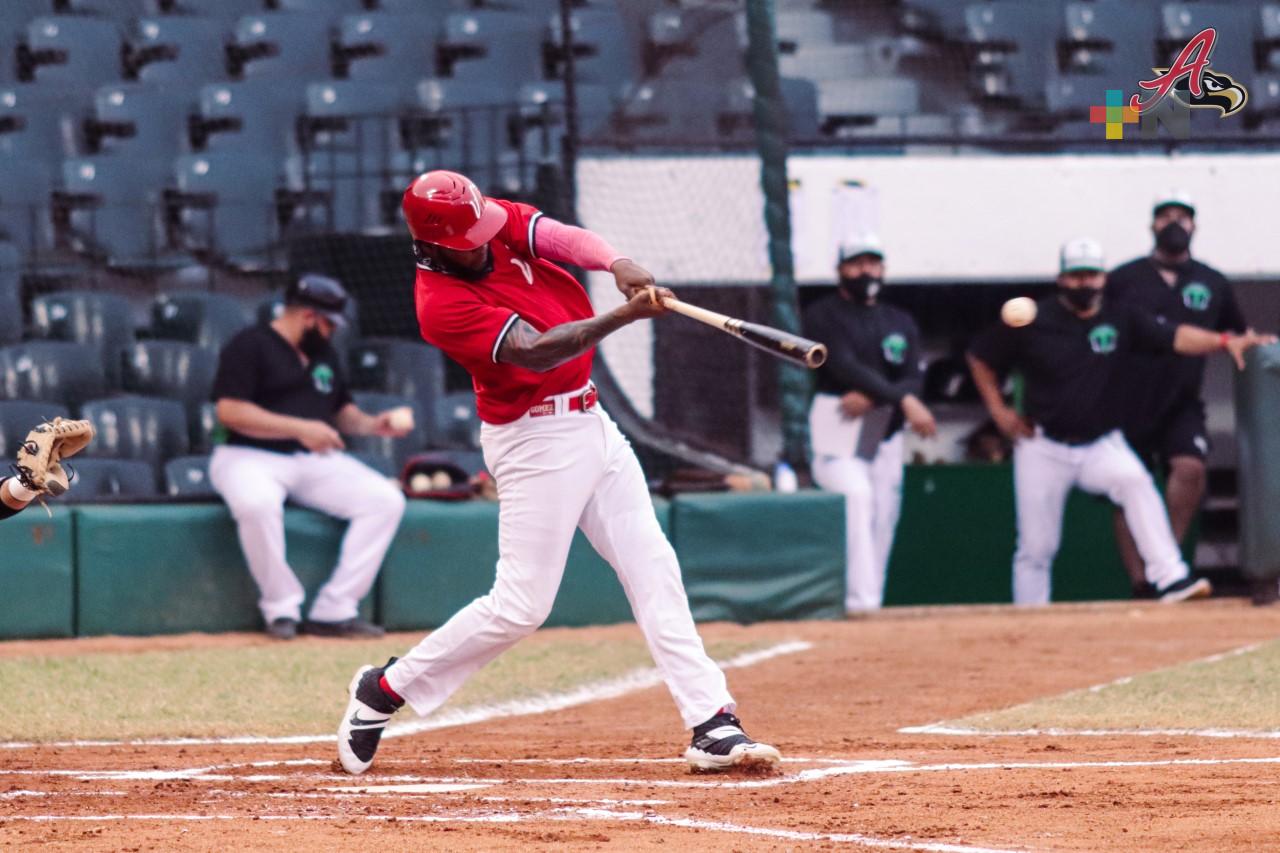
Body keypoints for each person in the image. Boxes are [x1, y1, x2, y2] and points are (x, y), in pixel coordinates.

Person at [336, 169, 781, 775]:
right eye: (469, 236)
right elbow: (538, 348)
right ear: (433, 244)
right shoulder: (439, 305)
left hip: (592, 421)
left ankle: (712, 722)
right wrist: (624, 317)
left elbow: (564, 240)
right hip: (533, 440)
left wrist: (616, 261)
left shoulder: (488, 221)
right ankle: (384, 690)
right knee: (521, 606)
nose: (486, 237)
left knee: (653, 568)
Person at [966, 237, 1274, 606]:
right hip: (1044, 445)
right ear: (1061, 279)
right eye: (1076, 276)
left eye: (1092, 275)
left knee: (1135, 482)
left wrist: (1225, 340)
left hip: (1100, 443)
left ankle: (1171, 578)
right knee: (1036, 545)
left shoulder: (1121, 316)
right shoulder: (1036, 319)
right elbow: (979, 356)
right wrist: (1000, 412)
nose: (1085, 284)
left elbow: (1177, 336)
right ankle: (1030, 615)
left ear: (1104, 278)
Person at [209, 274, 410, 640]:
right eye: (329, 323)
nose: (332, 331)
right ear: (308, 316)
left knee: (385, 500)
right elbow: (230, 412)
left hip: (310, 460)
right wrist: (300, 427)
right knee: (256, 504)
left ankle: (334, 610)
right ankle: (280, 607)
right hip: (247, 455)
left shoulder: (323, 354)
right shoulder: (250, 344)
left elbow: (342, 413)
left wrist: (374, 424)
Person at [1107, 191, 1248, 597]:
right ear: (1152, 225)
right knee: (1129, 490)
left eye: (1183, 218)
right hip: (1127, 400)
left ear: (1195, 226)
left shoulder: (1211, 281)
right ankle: (1141, 583)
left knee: (1191, 469)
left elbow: (1238, 334)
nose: (1174, 224)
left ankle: (1164, 562)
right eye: (1166, 216)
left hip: (1183, 399)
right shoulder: (1124, 278)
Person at [801, 234, 936, 613]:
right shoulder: (822, 314)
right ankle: (861, 603)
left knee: (883, 513)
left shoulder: (899, 320)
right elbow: (843, 365)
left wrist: (880, 397)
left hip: (883, 428)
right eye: (858, 264)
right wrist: (903, 399)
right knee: (856, 498)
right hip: (838, 425)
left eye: (873, 263)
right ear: (841, 269)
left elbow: (914, 376)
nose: (867, 271)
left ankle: (871, 600)